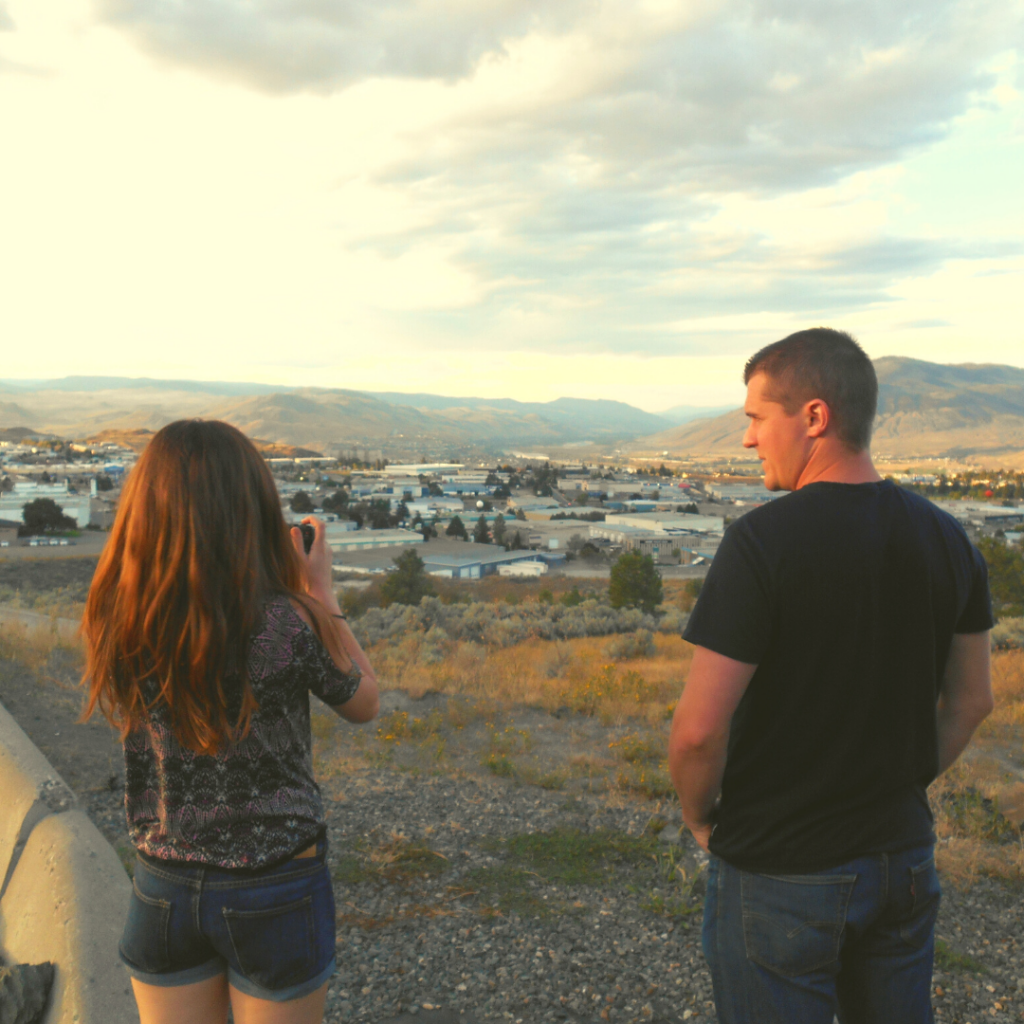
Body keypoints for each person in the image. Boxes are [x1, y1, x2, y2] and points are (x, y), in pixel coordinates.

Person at [668, 328, 993, 1024]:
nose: (747, 440)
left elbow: (698, 731)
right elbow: (971, 703)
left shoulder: (761, 543)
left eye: (756, 418)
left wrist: (700, 820)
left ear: (813, 417)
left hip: (780, 868)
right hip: (902, 858)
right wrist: (896, 785)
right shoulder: (948, 538)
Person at [82, 420, 379, 1024]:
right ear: (253, 509)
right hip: (275, 882)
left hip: (162, 881)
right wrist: (321, 592)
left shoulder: (119, 614)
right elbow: (363, 702)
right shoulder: (287, 620)